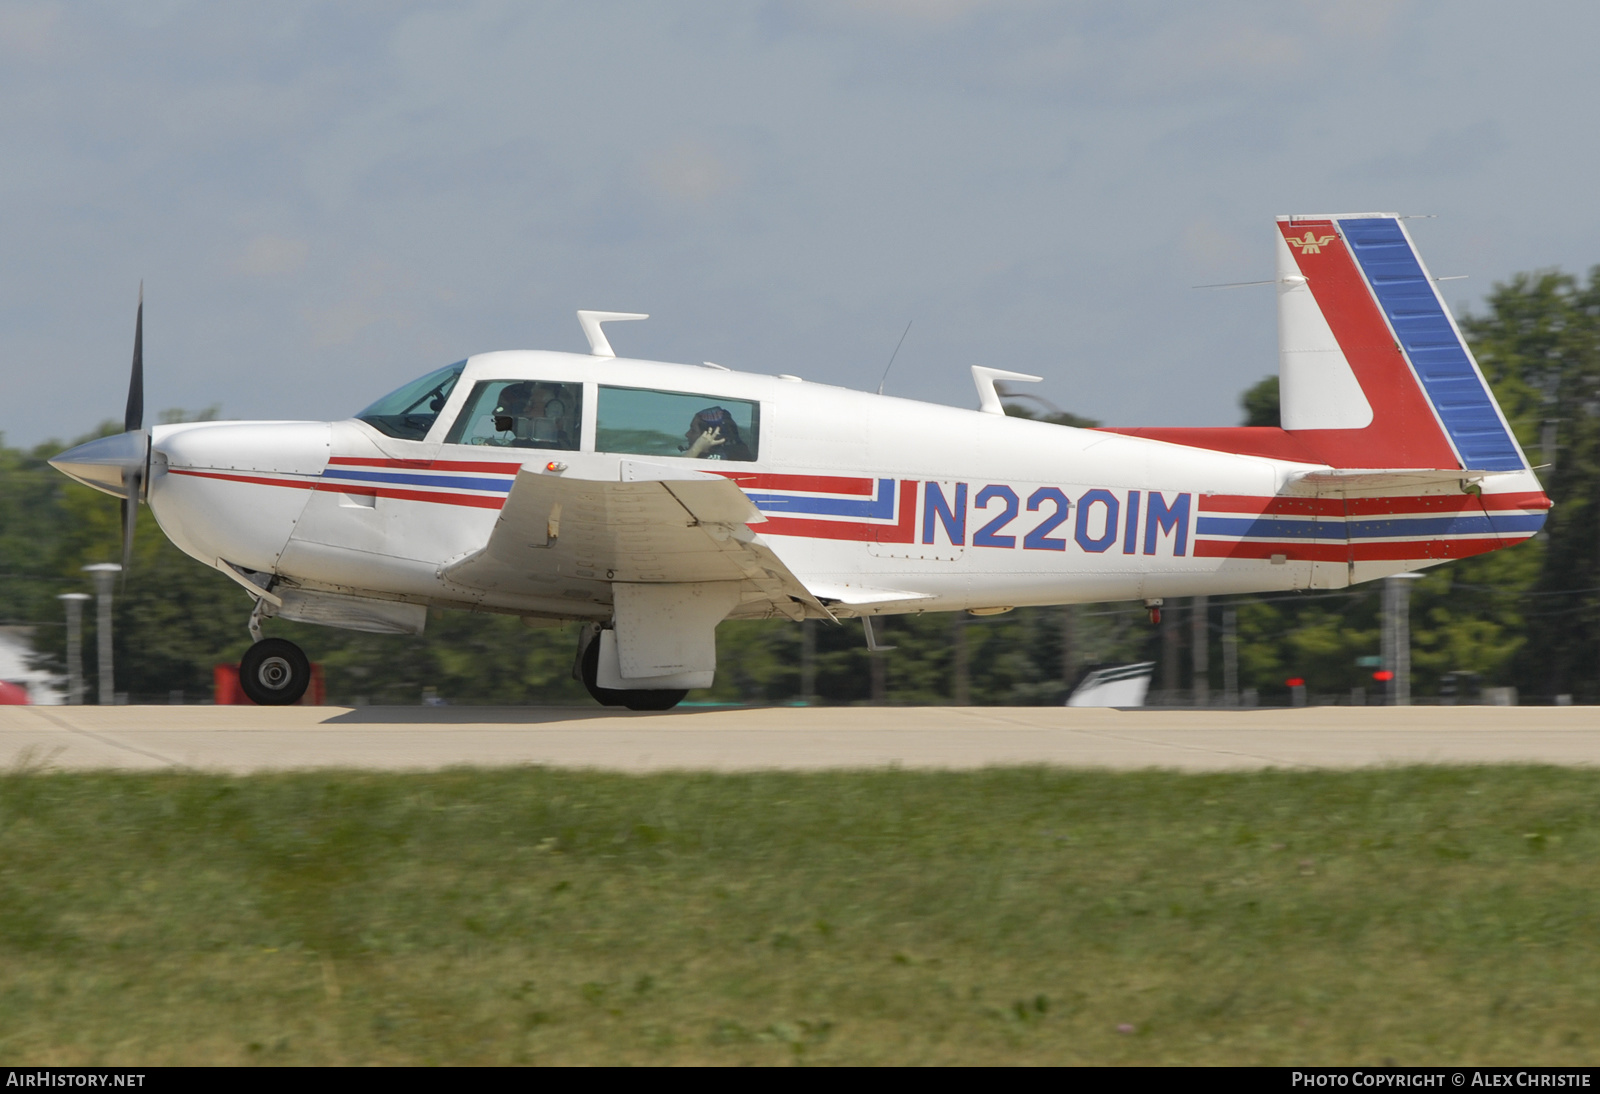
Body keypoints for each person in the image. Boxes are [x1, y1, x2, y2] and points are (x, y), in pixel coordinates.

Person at [681, 406, 752, 461]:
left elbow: (678, 474)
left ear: (711, 435)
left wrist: (697, 448)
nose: (687, 434)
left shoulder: (729, 457)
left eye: (693, 430)